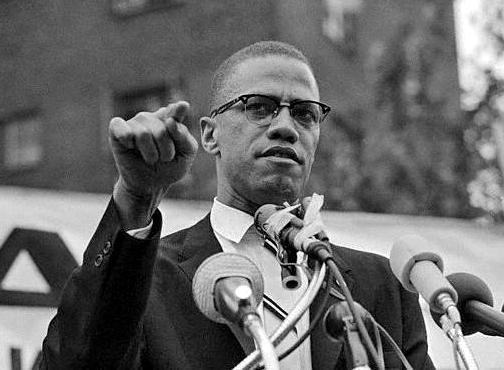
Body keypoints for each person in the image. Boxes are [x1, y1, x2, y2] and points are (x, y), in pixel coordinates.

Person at [40, 41, 434, 369]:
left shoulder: (379, 286)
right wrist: (136, 197)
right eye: (258, 107)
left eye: (304, 114)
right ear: (210, 136)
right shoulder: (148, 277)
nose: (285, 126)